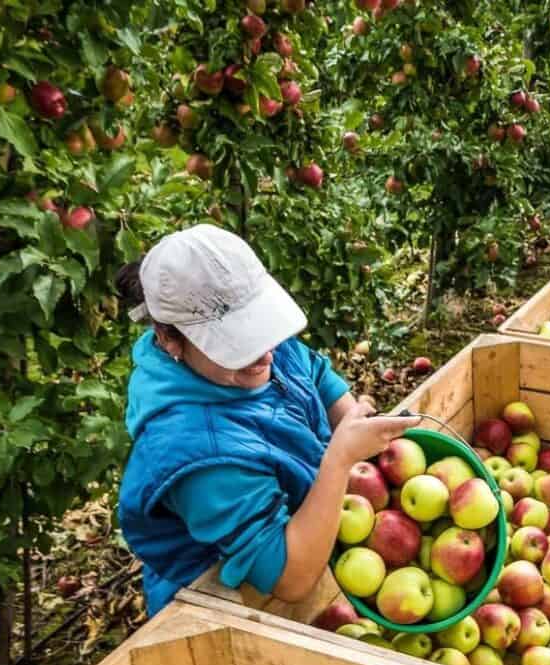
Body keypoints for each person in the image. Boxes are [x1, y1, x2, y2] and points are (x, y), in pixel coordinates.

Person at [115, 224, 415, 616]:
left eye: (263, 330)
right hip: (223, 610)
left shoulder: (255, 350)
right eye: (235, 344)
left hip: (315, 529)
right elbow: (290, 579)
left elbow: (312, 375)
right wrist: (340, 460)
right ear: (170, 339)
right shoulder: (194, 453)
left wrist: (355, 428)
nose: (265, 356)